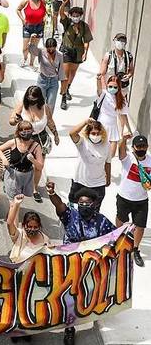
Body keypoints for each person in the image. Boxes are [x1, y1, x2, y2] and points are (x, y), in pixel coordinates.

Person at [45, 181, 114, 345]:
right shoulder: (71, 215)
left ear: (94, 204)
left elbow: (115, 237)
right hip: (70, 266)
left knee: (86, 296)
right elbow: (59, 205)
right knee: (70, 298)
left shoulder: (102, 221)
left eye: (87, 203)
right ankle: (69, 329)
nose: (83, 206)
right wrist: (52, 193)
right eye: (80, 203)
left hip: (91, 268)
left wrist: (127, 229)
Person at [9, 86, 59, 202]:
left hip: (40, 139)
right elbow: (11, 120)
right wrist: (15, 120)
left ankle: (34, 188)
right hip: (23, 139)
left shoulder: (45, 108)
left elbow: (50, 121)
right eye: (29, 98)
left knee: (38, 166)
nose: (31, 100)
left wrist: (56, 134)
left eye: (34, 98)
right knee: (19, 163)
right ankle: (15, 184)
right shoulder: (22, 106)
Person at [116, 134, 151, 267]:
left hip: (141, 200)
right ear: (134, 147)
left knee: (140, 226)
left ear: (147, 147)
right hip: (124, 197)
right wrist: (123, 140)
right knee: (120, 219)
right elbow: (121, 152)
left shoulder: (150, 161)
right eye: (138, 146)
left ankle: (135, 249)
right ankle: (118, 242)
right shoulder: (128, 159)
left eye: (143, 146)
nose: (141, 149)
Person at [0, 121, 44, 206]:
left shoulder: (36, 146)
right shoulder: (13, 142)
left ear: (32, 131)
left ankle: (11, 215)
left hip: (27, 176)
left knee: (18, 201)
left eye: (28, 130)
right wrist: (4, 159)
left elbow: (40, 167)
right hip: (13, 174)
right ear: (18, 132)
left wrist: (33, 160)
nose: (26, 132)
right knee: (13, 202)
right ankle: (13, 216)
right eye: (23, 130)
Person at [68, 119, 111, 206]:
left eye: (98, 133)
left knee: (95, 209)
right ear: (88, 133)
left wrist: (108, 178)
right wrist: (84, 122)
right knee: (75, 207)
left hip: (98, 183)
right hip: (80, 181)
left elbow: (108, 162)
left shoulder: (107, 145)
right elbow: (72, 133)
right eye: (93, 133)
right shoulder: (82, 142)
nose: (95, 136)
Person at [58, 3, 93, 110]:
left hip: (78, 52)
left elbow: (86, 40)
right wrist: (63, 4)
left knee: (73, 73)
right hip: (67, 51)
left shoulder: (84, 26)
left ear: (80, 16)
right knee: (65, 75)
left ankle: (67, 89)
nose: (75, 17)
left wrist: (85, 53)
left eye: (77, 15)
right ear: (71, 15)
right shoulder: (67, 22)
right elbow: (61, 13)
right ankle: (63, 98)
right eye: (73, 15)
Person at [95, 75, 131, 158]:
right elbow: (99, 89)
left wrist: (129, 129)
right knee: (98, 153)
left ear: (119, 87)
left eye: (115, 87)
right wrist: (98, 79)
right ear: (107, 85)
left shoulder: (121, 99)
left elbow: (123, 115)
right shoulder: (103, 94)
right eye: (110, 86)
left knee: (111, 155)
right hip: (101, 125)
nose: (112, 88)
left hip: (113, 127)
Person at [28, 36, 62, 110]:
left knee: (50, 104)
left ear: (56, 47)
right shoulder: (41, 52)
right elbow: (32, 51)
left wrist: (63, 88)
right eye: (48, 48)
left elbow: (61, 71)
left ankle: (48, 121)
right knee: (40, 103)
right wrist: (32, 41)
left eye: (52, 48)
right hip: (42, 80)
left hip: (54, 82)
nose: (50, 50)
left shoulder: (60, 55)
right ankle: (40, 120)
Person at [17, 0, 47, 68]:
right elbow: (18, 9)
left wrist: (45, 18)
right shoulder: (26, 1)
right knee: (25, 47)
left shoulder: (43, 1)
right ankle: (25, 58)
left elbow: (50, 9)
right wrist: (22, 19)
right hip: (28, 26)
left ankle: (31, 63)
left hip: (39, 27)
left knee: (34, 47)